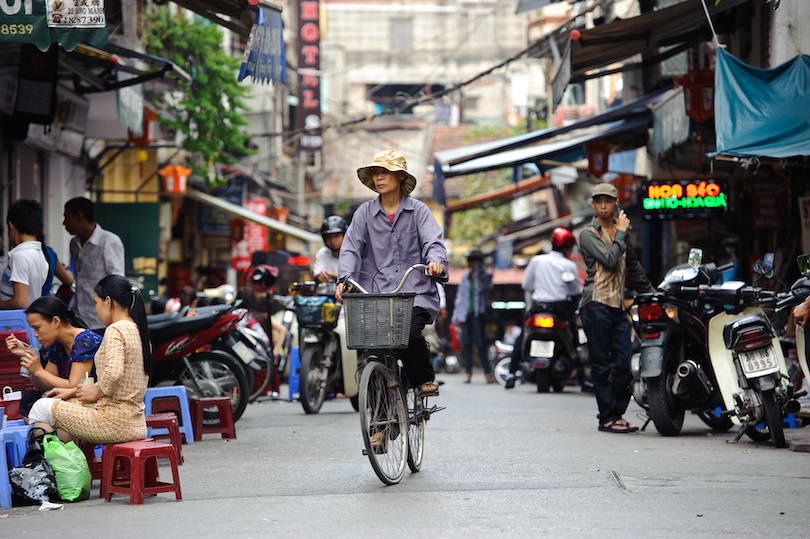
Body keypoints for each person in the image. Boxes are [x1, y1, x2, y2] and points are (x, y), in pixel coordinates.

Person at [335, 149, 448, 405]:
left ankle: (422, 380)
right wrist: (344, 280)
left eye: (385, 172)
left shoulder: (418, 211)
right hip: (375, 296)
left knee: (409, 336)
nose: (379, 177)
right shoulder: (363, 214)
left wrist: (435, 262)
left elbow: (433, 241)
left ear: (400, 177)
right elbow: (350, 248)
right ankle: (379, 422)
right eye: (375, 172)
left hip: (414, 294)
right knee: (374, 353)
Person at [26, 275, 151, 444]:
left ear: (108, 301)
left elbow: (113, 374)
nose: (96, 308)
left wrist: (97, 391)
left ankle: (50, 467)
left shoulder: (116, 330)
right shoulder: (135, 328)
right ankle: (67, 467)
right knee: (63, 425)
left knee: (40, 407)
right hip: (133, 420)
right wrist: (73, 392)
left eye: (96, 302)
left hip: (113, 421)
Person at [579, 183, 653, 433]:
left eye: (608, 201)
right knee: (601, 364)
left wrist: (652, 294)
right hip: (595, 304)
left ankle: (617, 413)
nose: (603, 206)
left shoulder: (621, 233)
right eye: (598, 201)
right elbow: (610, 260)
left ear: (616, 204)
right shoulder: (588, 233)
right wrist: (621, 232)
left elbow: (633, 267)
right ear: (593, 204)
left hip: (617, 306)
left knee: (625, 362)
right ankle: (607, 418)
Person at [505, 228, 583, 389]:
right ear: (566, 247)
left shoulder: (537, 261)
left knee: (523, 337)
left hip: (538, 308)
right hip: (560, 311)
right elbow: (576, 291)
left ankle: (511, 373)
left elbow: (526, 285)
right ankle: (583, 378)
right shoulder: (569, 265)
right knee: (574, 338)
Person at [5, 296, 102, 420]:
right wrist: (29, 360)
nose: (35, 334)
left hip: (91, 402)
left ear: (56, 321)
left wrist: (39, 370)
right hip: (70, 397)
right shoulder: (57, 345)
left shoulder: (84, 340)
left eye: (37, 327)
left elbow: (74, 385)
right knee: (30, 399)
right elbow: (45, 386)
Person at [63, 197, 125, 329]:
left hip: (99, 320)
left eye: (67, 217)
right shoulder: (74, 244)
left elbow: (117, 282)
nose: (64, 223)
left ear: (79, 217)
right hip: (78, 316)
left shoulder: (108, 242)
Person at [451, 248, 495, 384]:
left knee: (481, 344)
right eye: (469, 260)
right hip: (465, 315)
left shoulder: (485, 276)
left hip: (477, 314)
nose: (470, 263)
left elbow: (480, 288)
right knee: (467, 344)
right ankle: (468, 372)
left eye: (473, 261)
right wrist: (455, 315)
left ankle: (487, 373)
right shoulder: (464, 277)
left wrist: (477, 272)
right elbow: (460, 296)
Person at [0, 199, 50, 309]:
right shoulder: (40, 254)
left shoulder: (20, 256)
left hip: (14, 324)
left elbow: (21, 302)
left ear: (11, 226)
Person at [313, 215, 346, 283]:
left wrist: (331, 275)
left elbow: (354, 278)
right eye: (328, 237)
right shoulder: (323, 253)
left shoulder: (354, 252)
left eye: (336, 236)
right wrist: (321, 276)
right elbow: (316, 275)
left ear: (344, 235)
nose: (332, 240)